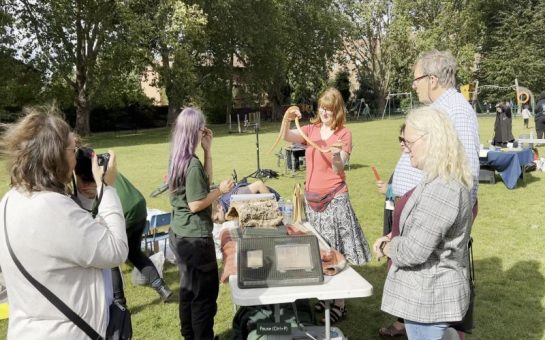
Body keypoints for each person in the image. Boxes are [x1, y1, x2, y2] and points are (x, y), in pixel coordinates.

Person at [0, 105, 128, 339]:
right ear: (54, 156)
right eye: (73, 149)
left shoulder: (11, 200)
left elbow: (72, 239)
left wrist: (83, 197)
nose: (76, 156)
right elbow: (116, 249)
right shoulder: (53, 209)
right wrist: (105, 188)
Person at [381, 49, 480, 338]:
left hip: (434, 213)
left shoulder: (456, 110)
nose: (414, 84)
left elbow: (467, 173)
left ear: (433, 79)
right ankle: (413, 324)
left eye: (417, 79)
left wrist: (458, 224)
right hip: (424, 210)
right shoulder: (442, 108)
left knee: (432, 282)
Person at [281, 87, 372, 323]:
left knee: (337, 251)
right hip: (312, 202)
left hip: (334, 199)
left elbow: (339, 168)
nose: (324, 112)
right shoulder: (309, 129)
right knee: (320, 251)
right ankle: (325, 297)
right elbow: (287, 136)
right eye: (322, 107)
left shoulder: (344, 134)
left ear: (337, 110)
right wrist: (287, 118)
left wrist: (334, 155)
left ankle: (339, 304)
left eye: (329, 108)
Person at [73, 146, 173, 303]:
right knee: (134, 253)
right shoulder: (106, 166)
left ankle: (119, 299)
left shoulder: (94, 181)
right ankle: (161, 288)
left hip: (124, 211)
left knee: (111, 258)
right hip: (139, 206)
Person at [168, 107, 234, 340]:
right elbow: (196, 203)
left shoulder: (178, 158)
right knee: (204, 297)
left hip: (179, 234)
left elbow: (203, 183)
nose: (203, 132)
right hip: (195, 240)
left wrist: (208, 151)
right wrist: (221, 191)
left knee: (188, 291)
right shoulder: (191, 165)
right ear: (193, 131)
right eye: (201, 129)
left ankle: (190, 335)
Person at [212, 179, 276, 224]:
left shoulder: (236, 196)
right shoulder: (225, 210)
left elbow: (259, 185)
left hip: (273, 198)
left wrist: (272, 209)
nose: (217, 223)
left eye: (216, 219)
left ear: (219, 207)